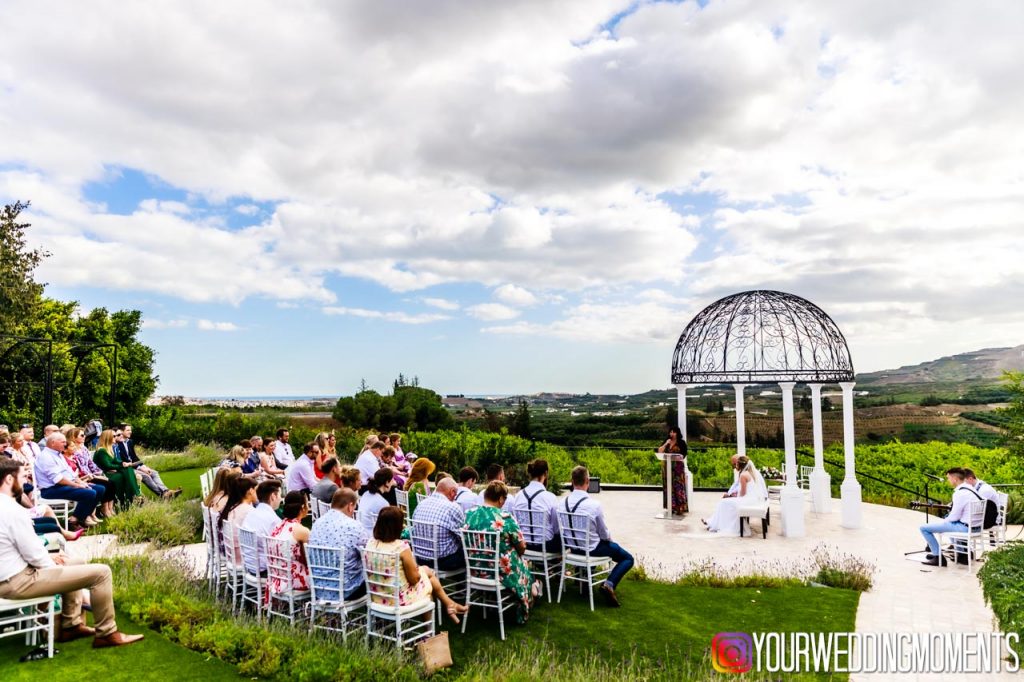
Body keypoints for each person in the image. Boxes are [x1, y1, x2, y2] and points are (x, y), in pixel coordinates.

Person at [0, 458, 143, 648]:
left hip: (9, 575)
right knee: (102, 573)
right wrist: (52, 564)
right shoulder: (12, 510)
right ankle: (107, 634)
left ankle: (71, 625)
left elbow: (11, 547)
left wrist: (53, 559)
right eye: (22, 477)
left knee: (75, 562)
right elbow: (34, 555)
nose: (26, 482)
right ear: (9, 480)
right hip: (16, 582)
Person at [364, 506, 468, 623]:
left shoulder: (370, 543)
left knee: (427, 571)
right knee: (428, 581)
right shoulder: (400, 547)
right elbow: (414, 580)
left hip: (378, 596)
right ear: (397, 526)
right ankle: (429, 633)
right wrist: (418, 569)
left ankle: (450, 604)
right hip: (398, 600)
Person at [464, 481, 540, 623]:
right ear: (500, 499)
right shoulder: (504, 517)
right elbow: (522, 547)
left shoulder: (469, 514)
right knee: (524, 565)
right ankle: (532, 590)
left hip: (476, 569)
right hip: (500, 573)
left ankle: (533, 587)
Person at [563, 466, 634, 607]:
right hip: (591, 549)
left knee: (591, 541)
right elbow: (604, 534)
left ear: (572, 481)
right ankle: (609, 584)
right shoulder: (594, 505)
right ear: (587, 481)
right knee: (627, 558)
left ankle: (582, 581)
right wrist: (610, 541)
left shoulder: (562, 504)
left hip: (573, 549)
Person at [309, 488, 368, 600]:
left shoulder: (317, 523)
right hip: (347, 589)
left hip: (318, 587)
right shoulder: (354, 526)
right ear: (350, 506)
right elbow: (368, 554)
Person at [34, 432, 102, 530]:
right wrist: (76, 485)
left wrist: (81, 482)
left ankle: (80, 518)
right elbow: (58, 479)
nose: (65, 444)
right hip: (50, 490)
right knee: (89, 493)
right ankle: (74, 521)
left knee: (100, 489)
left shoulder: (58, 454)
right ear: (53, 443)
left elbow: (70, 473)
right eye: (63, 442)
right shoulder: (46, 457)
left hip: (63, 486)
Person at [920, 468, 983, 567]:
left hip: (966, 528)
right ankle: (962, 555)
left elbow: (954, 516)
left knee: (924, 528)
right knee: (950, 525)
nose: (948, 481)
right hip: (977, 527)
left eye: (948, 478)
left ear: (955, 479)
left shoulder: (959, 493)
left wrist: (944, 522)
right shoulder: (971, 489)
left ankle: (938, 557)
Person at [703, 456, 767, 536]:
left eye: (736, 464)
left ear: (739, 465)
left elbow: (743, 493)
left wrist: (733, 496)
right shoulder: (750, 473)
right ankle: (713, 523)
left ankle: (718, 525)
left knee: (723, 503)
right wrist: (733, 496)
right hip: (752, 499)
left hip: (747, 500)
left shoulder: (743, 475)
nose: (735, 466)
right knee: (724, 503)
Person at [411, 477, 466, 570]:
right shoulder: (452, 507)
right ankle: (462, 584)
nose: (455, 497)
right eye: (455, 494)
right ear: (452, 492)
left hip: (419, 558)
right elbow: (463, 537)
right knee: (469, 552)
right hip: (442, 561)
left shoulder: (421, 504)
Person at [61, 434, 116, 521]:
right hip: (81, 478)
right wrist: (86, 478)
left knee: (109, 483)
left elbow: (90, 464)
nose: (84, 437)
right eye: (81, 435)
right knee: (99, 487)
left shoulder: (80, 452)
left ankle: (107, 508)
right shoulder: (69, 457)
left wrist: (98, 473)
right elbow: (78, 472)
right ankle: (84, 516)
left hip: (84, 477)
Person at [267, 492, 311, 600]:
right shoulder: (302, 531)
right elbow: (311, 559)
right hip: (294, 581)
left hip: (277, 577)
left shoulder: (279, 525)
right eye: (307, 503)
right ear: (302, 507)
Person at [511, 458, 561, 552]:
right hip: (546, 546)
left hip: (524, 544)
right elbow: (556, 528)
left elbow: (515, 523)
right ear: (545, 474)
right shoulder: (550, 497)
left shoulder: (518, 496)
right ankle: (554, 565)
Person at [115, 425, 178, 498]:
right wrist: (140, 468)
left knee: (154, 473)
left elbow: (134, 457)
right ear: (122, 432)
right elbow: (124, 461)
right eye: (128, 430)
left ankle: (165, 491)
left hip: (134, 466)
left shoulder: (130, 442)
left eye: (130, 430)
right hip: (128, 468)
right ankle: (163, 495)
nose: (130, 432)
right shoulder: (117, 444)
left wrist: (143, 466)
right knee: (146, 476)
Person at [240, 480, 284, 574]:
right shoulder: (273, 520)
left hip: (250, 565)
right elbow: (282, 549)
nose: (281, 499)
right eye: (280, 495)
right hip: (266, 570)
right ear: (273, 496)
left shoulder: (252, 513)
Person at [93, 429, 142, 509]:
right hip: (104, 474)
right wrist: (122, 466)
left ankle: (130, 499)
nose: (116, 437)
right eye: (114, 436)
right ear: (108, 437)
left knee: (127, 469)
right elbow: (107, 465)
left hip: (111, 472)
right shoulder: (101, 451)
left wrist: (123, 463)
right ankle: (134, 496)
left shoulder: (109, 449)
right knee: (122, 474)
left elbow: (116, 461)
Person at [218, 477, 258, 563]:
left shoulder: (232, 507)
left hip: (232, 553)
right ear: (251, 491)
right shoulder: (248, 510)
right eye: (256, 490)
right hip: (242, 556)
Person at [657, 426, 688, 515]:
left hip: (677, 468)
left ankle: (680, 507)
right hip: (667, 467)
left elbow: (684, 455)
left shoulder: (681, 443)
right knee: (668, 487)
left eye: (673, 432)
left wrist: (676, 457)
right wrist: (666, 443)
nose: (672, 434)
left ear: (677, 433)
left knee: (678, 486)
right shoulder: (667, 441)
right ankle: (671, 507)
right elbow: (659, 451)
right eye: (670, 432)